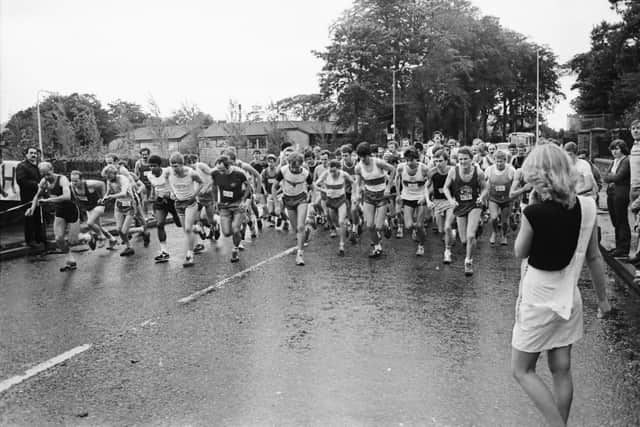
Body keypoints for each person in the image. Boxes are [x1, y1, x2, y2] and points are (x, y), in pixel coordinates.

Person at [511, 143, 611, 427]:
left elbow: (520, 251)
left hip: (538, 299)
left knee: (522, 370)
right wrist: (603, 300)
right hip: (569, 298)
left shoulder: (534, 212)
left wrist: (528, 209)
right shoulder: (589, 207)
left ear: (536, 174)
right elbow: (594, 257)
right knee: (561, 368)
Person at [25, 162, 84, 271]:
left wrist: (48, 200)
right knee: (58, 238)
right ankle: (70, 260)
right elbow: (37, 196)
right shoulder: (44, 182)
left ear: (52, 169)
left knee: (73, 241)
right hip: (60, 211)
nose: (46, 177)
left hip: (72, 210)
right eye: (43, 175)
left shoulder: (62, 179)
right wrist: (32, 208)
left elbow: (67, 196)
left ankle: (89, 237)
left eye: (48, 174)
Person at [442, 146, 488, 275]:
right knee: (463, 240)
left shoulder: (478, 173)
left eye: (465, 159)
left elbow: (485, 188)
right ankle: (475, 232)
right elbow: (446, 187)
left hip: (474, 205)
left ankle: (468, 262)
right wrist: (451, 200)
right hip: (460, 206)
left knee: (470, 236)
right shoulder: (453, 171)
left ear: (471, 159)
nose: (462, 162)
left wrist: (481, 197)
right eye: (460, 159)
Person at [354, 142, 396, 258]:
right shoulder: (358, 167)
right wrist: (357, 194)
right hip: (369, 196)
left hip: (382, 195)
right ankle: (377, 248)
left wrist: (388, 187)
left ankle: (385, 224)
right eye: (360, 157)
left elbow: (393, 169)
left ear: (369, 154)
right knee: (370, 226)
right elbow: (357, 183)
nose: (363, 159)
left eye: (365, 156)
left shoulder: (378, 162)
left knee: (378, 227)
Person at [272, 151, 313, 265]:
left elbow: (312, 186)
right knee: (295, 230)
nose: (294, 169)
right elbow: (274, 187)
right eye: (292, 166)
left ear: (301, 164)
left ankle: (300, 255)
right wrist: (276, 204)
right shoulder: (283, 171)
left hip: (301, 199)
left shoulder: (305, 173)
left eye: (296, 167)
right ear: (288, 163)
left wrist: (313, 201)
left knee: (300, 227)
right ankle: (306, 231)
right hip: (288, 200)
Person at [165, 152, 203, 267]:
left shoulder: (191, 173)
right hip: (178, 203)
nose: (173, 168)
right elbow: (165, 179)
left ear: (182, 164)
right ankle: (198, 228)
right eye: (172, 165)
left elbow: (201, 183)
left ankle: (190, 255)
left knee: (187, 229)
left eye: (176, 166)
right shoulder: (168, 172)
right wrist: (171, 192)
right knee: (186, 230)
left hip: (190, 203)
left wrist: (194, 195)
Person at [211, 155, 251, 263]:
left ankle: (235, 249)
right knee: (227, 233)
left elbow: (248, 187)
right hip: (224, 205)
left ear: (228, 166)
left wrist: (243, 200)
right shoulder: (215, 174)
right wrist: (215, 201)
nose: (220, 172)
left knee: (235, 229)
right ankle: (242, 222)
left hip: (238, 204)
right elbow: (214, 187)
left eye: (222, 170)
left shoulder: (239, 174)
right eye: (218, 169)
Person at [395, 147, 432, 255]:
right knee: (409, 226)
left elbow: (431, 183)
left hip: (420, 198)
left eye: (411, 160)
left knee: (420, 225)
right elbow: (397, 179)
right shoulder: (401, 167)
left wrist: (426, 197)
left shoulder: (424, 169)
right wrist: (398, 194)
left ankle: (421, 245)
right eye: (407, 160)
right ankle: (419, 232)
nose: (409, 162)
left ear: (417, 159)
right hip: (407, 198)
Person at [314, 159, 355, 255]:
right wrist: (324, 191)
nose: (332, 173)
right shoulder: (326, 174)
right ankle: (347, 228)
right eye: (331, 171)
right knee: (337, 224)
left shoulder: (343, 174)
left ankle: (341, 245)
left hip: (341, 200)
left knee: (341, 221)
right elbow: (315, 185)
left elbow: (354, 182)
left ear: (338, 169)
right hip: (331, 201)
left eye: (334, 171)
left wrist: (354, 194)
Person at [146, 155, 182, 263]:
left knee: (180, 224)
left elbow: (180, 178)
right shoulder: (149, 175)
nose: (152, 168)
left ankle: (197, 228)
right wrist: (152, 195)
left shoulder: (168, 171)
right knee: (159, 224)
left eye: (154, 166)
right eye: (150, 166)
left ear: (159, 166)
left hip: (173, 200)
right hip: (160, 201)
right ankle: (164, 251)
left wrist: (174, 193)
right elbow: (155, 186)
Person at [70, 170, 116, 250]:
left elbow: (102, 184)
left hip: (98, 206)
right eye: (72, 181)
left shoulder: (89, 184)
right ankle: (112, 239)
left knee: (90, 223)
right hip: (89, 208)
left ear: (81, 179)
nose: (74, 183)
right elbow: (77, 199)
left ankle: (101, 237)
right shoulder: (72, 186)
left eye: (76, 181)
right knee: (98, 227)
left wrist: (103, 198)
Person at [603, 139, 630, 259]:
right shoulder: (614, 161)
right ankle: (618, 246)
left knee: (621, 220)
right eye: (612, 149)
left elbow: (619, 177)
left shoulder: (626, 160)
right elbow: (605, 177)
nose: (614, 151)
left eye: (617, 148)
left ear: (622, 149)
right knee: (615, 220)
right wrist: (611, 177)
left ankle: (624, 248)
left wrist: (611, 177)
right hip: (611, 193)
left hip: (620, 194)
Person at [101, 164, 137, 257]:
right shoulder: (109, 181)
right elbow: (108, 192)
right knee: (119, 229)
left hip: (129, 204)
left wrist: (111, 197)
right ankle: (129, 247)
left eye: (109, 177)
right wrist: (104, 199)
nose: (108, 179)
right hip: (119, 205)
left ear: (114, 173)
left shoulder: (122, 179)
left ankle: (141, 230)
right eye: (107, 178)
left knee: (124, 231)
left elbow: (123, 193)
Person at [485, 150, 516, 246]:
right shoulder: (489, 170)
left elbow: (516, 184)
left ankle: (504, 235)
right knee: (494, 218)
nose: (499, 163)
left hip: (507, 199)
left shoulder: (511, 170)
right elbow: (483, 183)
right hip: (493, 198)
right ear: (494, 160)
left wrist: (515, 197)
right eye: (497, 161)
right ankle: (494, 232)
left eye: (501, 161)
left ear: (505, 161)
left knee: (504, 221)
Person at [16, 147, 43, 247]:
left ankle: (40, 238)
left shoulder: (38, 166)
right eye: (31, 153)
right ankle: (30, 241)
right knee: (29, 218)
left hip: (39, 196)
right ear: (26, 154)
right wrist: (36, 185)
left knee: (39, 217)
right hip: (28, 197)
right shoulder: (22, 166)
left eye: (35, 153)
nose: (33, 155)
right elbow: (21, 180)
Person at [134, 148, 153, 217]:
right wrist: (137, 184)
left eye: (146, 154)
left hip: (152, 184)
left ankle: (154, 213)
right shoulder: (138, 163)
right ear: (141, 155)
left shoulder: (151, 162)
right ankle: (145, 214)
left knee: (153, 199)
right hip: (143, 184)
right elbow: (135, 175)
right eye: (143, 154)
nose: (145, 156)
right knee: (144, 200)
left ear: (149, 154)